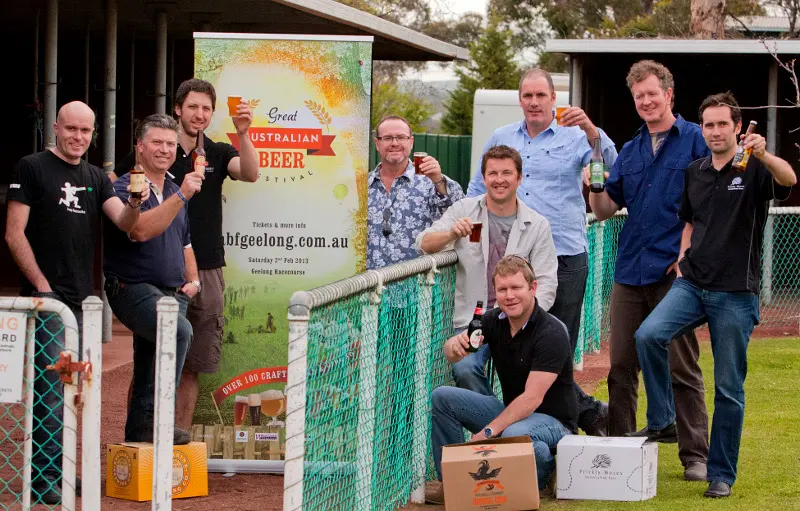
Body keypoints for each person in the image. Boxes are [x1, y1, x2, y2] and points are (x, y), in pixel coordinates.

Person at [635, 92, 796, 498]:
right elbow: (690, 220)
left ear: (737, 127)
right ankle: (664, 419)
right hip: (691, 283)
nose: (715, 131)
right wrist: (683, 255)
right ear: (702, 128)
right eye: (709, 124)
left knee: (729, 389)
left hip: (735, 293)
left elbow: (789, 180)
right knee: (648, 336)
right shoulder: (695, 171)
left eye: (723, 124)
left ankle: (721, 473)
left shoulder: (754, 167)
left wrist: (765, 154)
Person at [5, 101, 145, 504]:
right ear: (55, 128)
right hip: (47, 302)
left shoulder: (96, 177)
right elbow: (15, 233)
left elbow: (124, 223)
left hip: (83, 302)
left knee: (74, 392)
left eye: (86, 131)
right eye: (71, 129)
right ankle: (45, 476)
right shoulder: (30, 168)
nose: (78, 137)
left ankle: (61, 469)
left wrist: (135, 203)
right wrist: (42, 287)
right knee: (50, 391)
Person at [467, 68, 618, 435]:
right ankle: (585, 415)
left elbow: (611, 165)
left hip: (564, 257)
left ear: (554, 99)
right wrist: (470, 241)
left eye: (541, 96)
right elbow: (475, 194)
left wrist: (592, 132)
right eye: (527, 96)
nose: (534, 102)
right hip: (511, 260)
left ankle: (554, 430)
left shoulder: (576, 136)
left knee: (555, 348)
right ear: (520, 100)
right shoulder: (501, 138)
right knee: (509, 351)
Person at [585, 60, 710, 481]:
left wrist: (688, 256)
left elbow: (710, 204)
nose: (645, 101)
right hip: (629, 270)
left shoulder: (695, 140)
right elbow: (604, 211)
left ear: (669, 95)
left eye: (652, 93)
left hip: (675, 272)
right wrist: (594, 187)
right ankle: (623, 450)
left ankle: (695, 455)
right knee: (621, 365)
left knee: (681, 363)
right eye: (639, 96)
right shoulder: (632, 149)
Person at [113, 78, 259, 430]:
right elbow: (121, 198)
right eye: (193, 106)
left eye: (207, 108)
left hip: (205, 269)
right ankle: (140, 438)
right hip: (158, 270)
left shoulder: (218, 152)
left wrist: (243, 133)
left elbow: (251, 173)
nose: (200, 114)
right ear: (177, 108)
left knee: (191, 365)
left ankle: (176, 444)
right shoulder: (156, 149)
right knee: (150, 359)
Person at [426, 255, 577, 505]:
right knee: (442, 397)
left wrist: (488, 432)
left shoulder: (551, 333)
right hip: (512, 414)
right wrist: (454, 345)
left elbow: (532, 398)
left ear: (533, 288)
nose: (509, 296)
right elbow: (453, 353)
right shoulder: (492, 320)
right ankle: (451, 483)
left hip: (554, 422)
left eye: (516, 287)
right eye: (502, 289)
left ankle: (549, 469)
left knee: (516, 434)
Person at [417, 144, 558, 397]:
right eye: (493, 174)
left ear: (519, 178)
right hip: (476, 318)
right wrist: (451, 234)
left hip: (518, 319)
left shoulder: (537, 225)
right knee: (464, 367)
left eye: (506, 173)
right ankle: (493, 422)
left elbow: (547, 283)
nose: (499, 180)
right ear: (484, 178)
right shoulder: (464, 211)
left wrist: (526, 317)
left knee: (531, 374)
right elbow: (424, 244)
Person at [103, 113, 205, 445]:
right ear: (140, 147)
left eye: (171, 144)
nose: (164, 149)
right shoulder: (128, 186)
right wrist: (183, 196)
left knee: (149, 359)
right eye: (157, 142)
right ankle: (161, 419)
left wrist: (193, 279)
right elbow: (140, 230)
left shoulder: (173, 188)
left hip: (173, 290)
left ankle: (140, 430)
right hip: (131, 287)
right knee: (177, 332)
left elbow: (185, 241)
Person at [367, 115, 464, 270]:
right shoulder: (363, 187)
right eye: (387, 138)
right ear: (377, 143)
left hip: (415, 286)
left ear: (411, 142)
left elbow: (459, 212)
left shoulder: (429, 182)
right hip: (368, 287)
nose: (394, 143)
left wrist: (438, 180)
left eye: (401, 137)